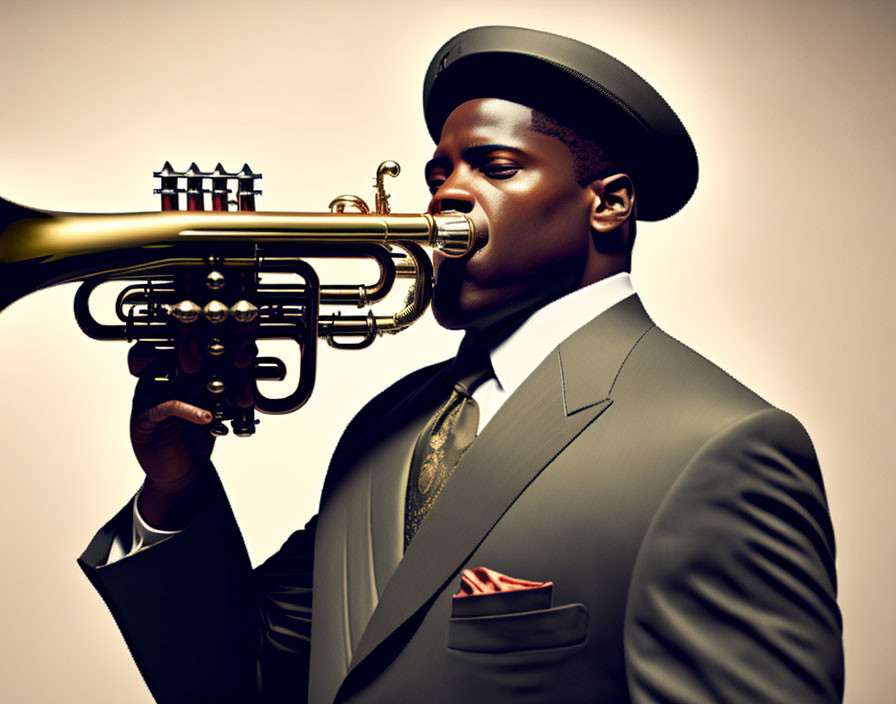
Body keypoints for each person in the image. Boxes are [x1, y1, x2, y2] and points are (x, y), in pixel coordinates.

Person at [78, 26, 844, 703]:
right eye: (438, 173)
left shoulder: (719, 446)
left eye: (496, 167)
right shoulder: (390, 424)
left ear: (608, 203)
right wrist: (173, 491)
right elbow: (239, 683)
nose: (446, 199)